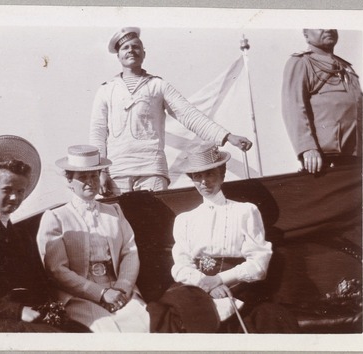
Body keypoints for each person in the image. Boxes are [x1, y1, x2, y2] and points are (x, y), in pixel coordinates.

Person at [89, 27, 253, 196]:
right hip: (117, 174)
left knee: (155, 222)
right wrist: (99, 172)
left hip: (152, 172)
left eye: (136, 46)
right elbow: (98, 134)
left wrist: (228, 137)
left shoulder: (158, 85)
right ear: (118, 56)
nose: (131, 50)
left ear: (144, 53)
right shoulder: (106, 90)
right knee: (119, 222)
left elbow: (189, 115)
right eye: (125, 47)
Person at [0, 135, 78, 332]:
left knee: (81, 331)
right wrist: (18, 311)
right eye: (7, 189)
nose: (14, 197)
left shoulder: (18, 233)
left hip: (22, 313)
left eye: (20, 191)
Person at [170, 142, 299, 333]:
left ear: (222, 174)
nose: (204, 182)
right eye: (198, 176)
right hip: (196, 289)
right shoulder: (185, 220)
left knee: (264, 318)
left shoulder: (245, 211)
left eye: (210, 174)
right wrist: (206, 284)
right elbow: (180, 266)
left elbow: (258, 265)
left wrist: (220, 279)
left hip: (238, 287)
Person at [36, 144, 149, 332]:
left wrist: (121, 289)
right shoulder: (56, 217)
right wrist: (101, 294)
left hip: (120, 289)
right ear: (69, 181)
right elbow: (57, 270)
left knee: (143, 326)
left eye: (94, 175)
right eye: (82, 177)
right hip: (79, 296)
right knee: (106, 331)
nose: (90, 181)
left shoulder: (114, 211)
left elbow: (130, 251)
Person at [282, 29, 363, 174]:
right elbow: (293, 108)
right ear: (306, 35)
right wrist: (307, 148)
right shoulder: (301, 63)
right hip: (324, 159)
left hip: (356, 156)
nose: (328, 29)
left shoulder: (346, 67)